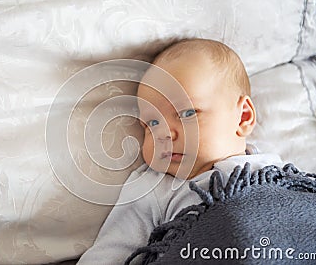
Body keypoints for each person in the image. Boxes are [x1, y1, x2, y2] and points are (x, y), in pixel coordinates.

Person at [77, 38, 282, 264]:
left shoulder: (275, 171)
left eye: (187, 113)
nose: (164, 133)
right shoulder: (154, 186)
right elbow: (111, 253)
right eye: (152, 123)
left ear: (243, 117)